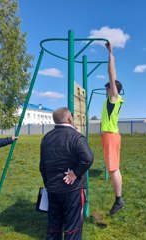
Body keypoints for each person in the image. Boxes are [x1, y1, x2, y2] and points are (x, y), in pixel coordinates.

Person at [40, 107, 94, 240]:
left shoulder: (46, 138)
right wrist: (75, 173)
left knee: (54, 227)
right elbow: (88, 158)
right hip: (72, 189)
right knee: (73, 228)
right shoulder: (76, 137)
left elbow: (42, 166)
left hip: (53, 189)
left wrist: (48, 184)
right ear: (70, 119)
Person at [101, 42, 124, 216]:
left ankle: (119, 199)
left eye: (108, 86)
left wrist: (110, 52)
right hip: (111, 135)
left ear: (113, 88)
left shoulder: (114, 97)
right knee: (113, 168)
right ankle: (118, 199)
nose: (106, 89)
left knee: (113, 168)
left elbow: (111, 72)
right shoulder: (111, 100)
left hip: (110, 136)